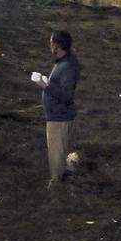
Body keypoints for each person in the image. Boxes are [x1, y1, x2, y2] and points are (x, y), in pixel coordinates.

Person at [36, 30, 81, 186]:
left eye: (51, 43)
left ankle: (56, 188)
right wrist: (48, 82)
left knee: (55, 157)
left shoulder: (67, 65)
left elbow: (66, 96)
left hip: (59, 119)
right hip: (63, 116)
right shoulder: (66, 61)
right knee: (62, 152)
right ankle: (67, 171)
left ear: (57, 45)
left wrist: (45, 86)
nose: (50, 45)